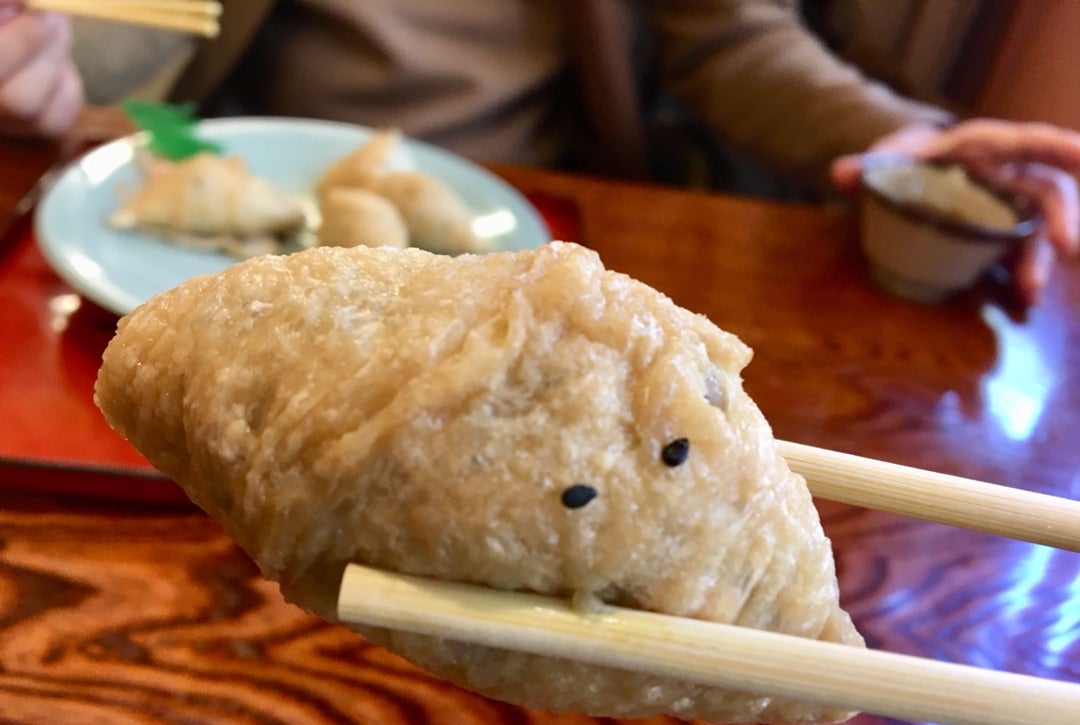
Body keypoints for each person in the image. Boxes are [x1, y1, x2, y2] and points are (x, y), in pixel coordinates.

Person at [2, 0, 1078, 305]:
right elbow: (128, 26)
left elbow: (739, 40)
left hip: (534, 235)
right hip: (238, 233)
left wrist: (901, 142)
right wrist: (38, 57)